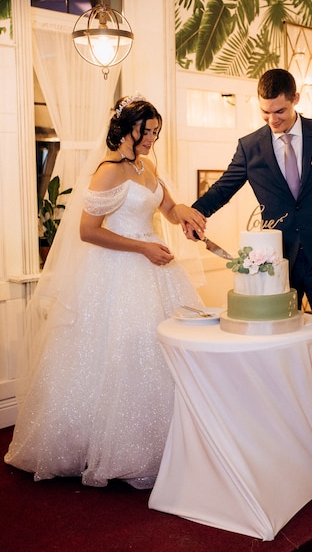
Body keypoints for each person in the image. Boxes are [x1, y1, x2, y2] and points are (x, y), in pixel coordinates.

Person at [5, 97, 206, 488]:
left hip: (156, 268)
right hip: (118, 271)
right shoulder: (108, 172)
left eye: (156, 132)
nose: (152, 139)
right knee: (125, 350)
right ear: (126, 128)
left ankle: (167, 444)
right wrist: (143, 247)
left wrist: (184, 213)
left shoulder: (148, 166)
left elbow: (164, 207)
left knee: (165, 348)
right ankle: (112, 449)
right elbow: (88, 231)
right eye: (146, 132)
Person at [187, 69, 312, 470]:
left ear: (296, 98)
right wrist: (196, 213)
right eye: (267, 112)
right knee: (279, 352)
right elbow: (224, 187)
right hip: (274, 267)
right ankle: (285, 438)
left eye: (281, 111)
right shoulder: (250, 146)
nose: (273, 119)